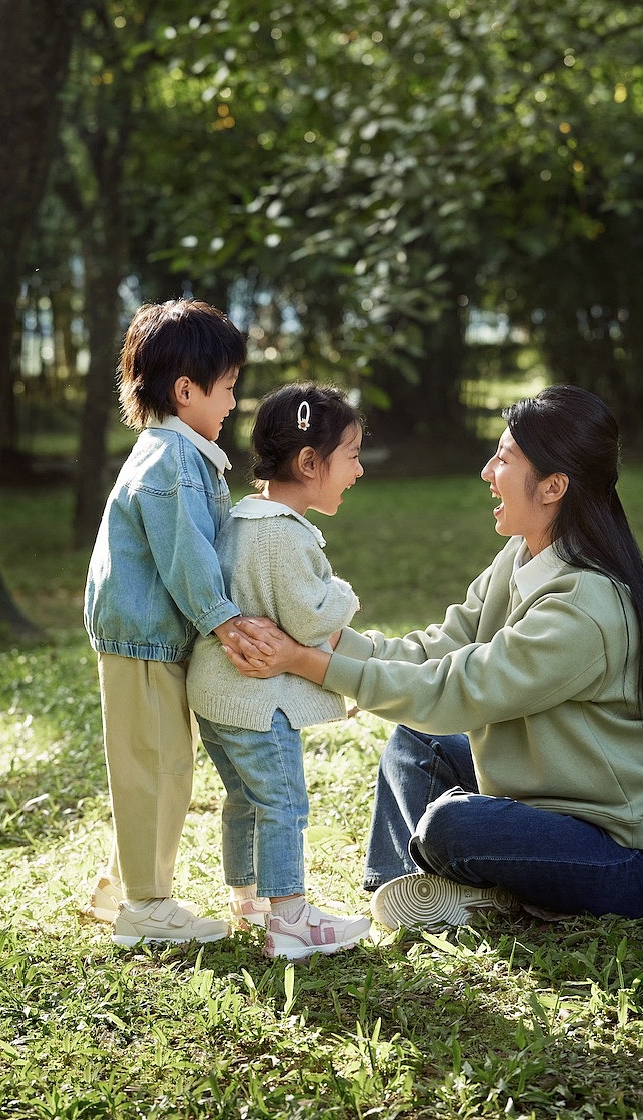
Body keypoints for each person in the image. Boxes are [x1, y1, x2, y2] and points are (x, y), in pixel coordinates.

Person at [227, 385, 643, 928]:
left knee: (451, 825)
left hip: (626, 854)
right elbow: (438, 647)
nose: (486, 471)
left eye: (503, 458)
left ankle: (461, 886)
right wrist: (324, 642)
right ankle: (406, 893)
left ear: (553, 486)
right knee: (415, 742)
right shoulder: (523, 556)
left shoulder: (583, 607)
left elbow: (457, 691)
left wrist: (307, 663)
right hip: (549, 801)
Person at [84, 297, 264, 946]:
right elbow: (185, 552)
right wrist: (223, 619)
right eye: (227, 389)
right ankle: (145, 907)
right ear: (185, 390)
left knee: (160, 764)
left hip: (151, 636)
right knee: (154, 767)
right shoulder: (169, 460)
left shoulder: (180, 453)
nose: (233, 403)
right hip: (142, 638)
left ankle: (121, 888)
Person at [187, 382, 372, 960]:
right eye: (352, 456)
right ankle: (289, 917)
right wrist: (342, 592)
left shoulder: (246, 519)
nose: (359, 470)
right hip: (256, 702)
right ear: (310, 462)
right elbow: (310, 616)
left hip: (218, 696)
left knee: (244, 799)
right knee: (283, 803)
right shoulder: (281, 533)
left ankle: (248, 901)